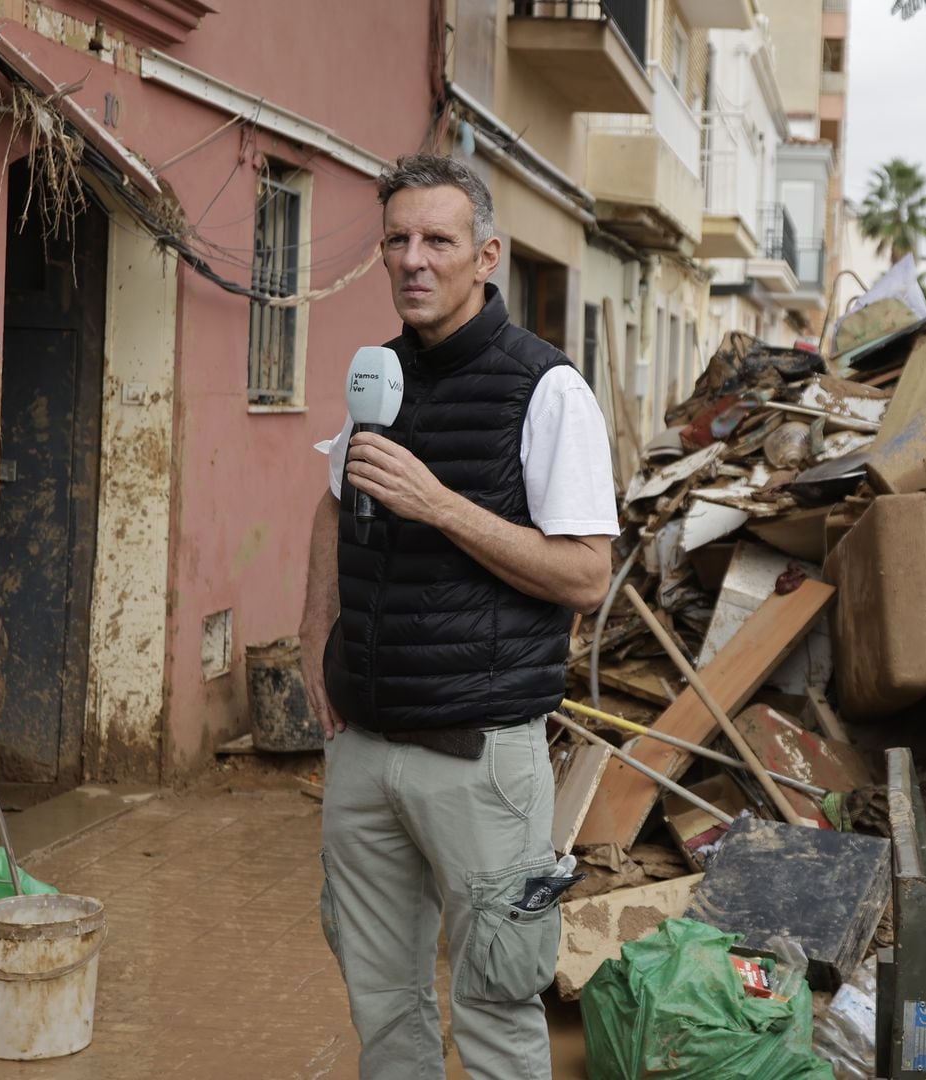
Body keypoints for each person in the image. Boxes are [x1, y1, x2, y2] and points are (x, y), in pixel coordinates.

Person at [299, 152, 618, 1080]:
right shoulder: (376, 376)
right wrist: (317, 645)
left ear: (487, 256)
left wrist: (440, 505)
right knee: (382, 1003)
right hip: (365, 747)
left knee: (493, 1002)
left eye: (438, 240)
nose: (413, 260)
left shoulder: (546, 389)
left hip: (480, 759)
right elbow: (330, 505)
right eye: (396, 240)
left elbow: (587, 575)